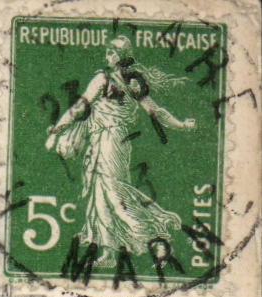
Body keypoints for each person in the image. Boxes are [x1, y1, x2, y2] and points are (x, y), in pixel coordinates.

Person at [45, 37, 197, 266]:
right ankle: (109, 252)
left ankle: (157, 240)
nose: (106, 54)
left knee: (114, 196)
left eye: (110, 51)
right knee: (101, 196)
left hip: (109, 141)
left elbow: (79, 108)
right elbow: (157, 112)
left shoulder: (104, 79)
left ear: (118, 55)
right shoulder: (132, 82)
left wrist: (57, 128)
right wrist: (181, 124)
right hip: (110, 142)